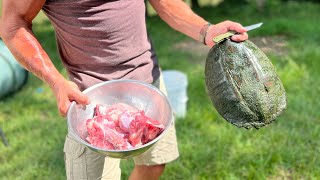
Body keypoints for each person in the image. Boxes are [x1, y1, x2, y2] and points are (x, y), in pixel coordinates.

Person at [0, 0, 248, 179]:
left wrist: (205, 30)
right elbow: (12, 24)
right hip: (90, 100)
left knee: (155, 164)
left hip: (147, 83)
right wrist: (56, 82)